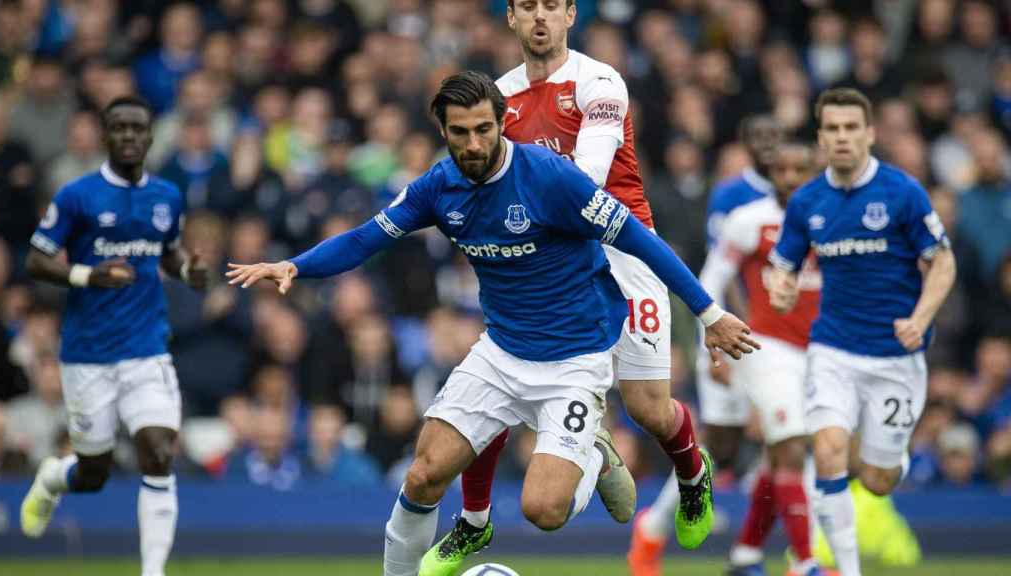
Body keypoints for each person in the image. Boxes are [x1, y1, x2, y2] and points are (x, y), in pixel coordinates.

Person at [225, 71, 759, 576]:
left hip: (575, 360)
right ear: (444, 131)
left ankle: (594, 456)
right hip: (501, 354)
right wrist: (296, 264)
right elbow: (367, 238)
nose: (474, 143)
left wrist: (708, 313)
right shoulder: (438, 187)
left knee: (544, 510)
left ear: (502, 122)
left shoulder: (550, 180)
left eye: (484, 129)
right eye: (461, 133)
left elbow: (642, 242)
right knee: (423, 474)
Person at [431, 4, 722, 574]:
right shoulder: (497, 96)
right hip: (550, 256)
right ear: (511, 18)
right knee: (499, 375)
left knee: (648, 408)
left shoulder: (599, 81)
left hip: (621, 246)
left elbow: (586, 177)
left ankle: (692, 471)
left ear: (569, 14)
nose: (540, 17)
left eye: (551, 5)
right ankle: (473, 519)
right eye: (527, 6)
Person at [768, 88, 956, 576]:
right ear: (821, 138)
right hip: (833, 349)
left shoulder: (902, 193)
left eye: (852, 127)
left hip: (895, 356)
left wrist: (921, 318)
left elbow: (942, 263)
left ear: (870, 134)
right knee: (828, 449)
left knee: (877, 479)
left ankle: (892, 456)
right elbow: (782, 266)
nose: (842, 137)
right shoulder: (807, 200)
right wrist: (782, 288)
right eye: (832, 128)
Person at [18, 95, 208, 576]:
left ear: (149, 136)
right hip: (87, 356)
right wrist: (88, 276)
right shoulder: (77, 195)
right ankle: (53, 478)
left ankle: (152, 571)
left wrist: (187, 269)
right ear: (105, 136)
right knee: (94, 473)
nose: (128, 136)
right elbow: (36, 259)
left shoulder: (166, 195)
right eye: (118, 128)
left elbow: (167, 251)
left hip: (146, 349)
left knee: (159, 452)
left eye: (136, 128)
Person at [628, 114, 783, 576]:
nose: (766, 143)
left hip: (784, 338)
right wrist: (723, 342)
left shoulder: (804, 195)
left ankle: (798, 555)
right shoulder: (733, 196)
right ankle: (653, 528)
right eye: (756, 134)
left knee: (791, 440)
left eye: (773, 134)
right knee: (725, 449)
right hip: (733, 330)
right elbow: (725, 270)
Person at [700, 142, 824, 576]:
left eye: (799, 169)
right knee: (792, 451)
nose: (789, 177)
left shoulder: (830, 219)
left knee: (778, 458)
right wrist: (712, 337)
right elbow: (711, 278)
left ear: (814, 171)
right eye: (782, 169)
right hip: (765, 348)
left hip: (817, 352)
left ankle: (746, 555)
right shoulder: (748, 221)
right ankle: (806, 563)